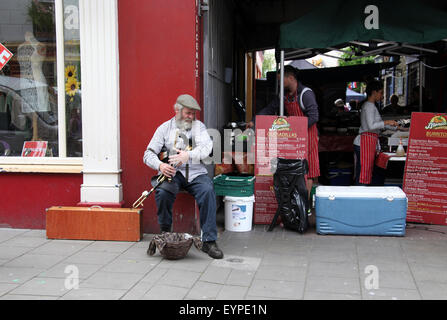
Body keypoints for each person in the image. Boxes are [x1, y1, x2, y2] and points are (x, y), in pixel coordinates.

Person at [143, 94, 223, 259]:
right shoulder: (164, 128)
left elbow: (207, 147)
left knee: (207, 190)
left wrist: (188, 155)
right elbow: (147, 154)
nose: (191, 117)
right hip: (172, 173)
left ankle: (209, 241)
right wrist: (160, 165)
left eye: (193, 113)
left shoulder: (198, 127)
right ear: (177, 110)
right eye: (188, 113)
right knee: (163, 191)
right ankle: (165, 234)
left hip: (195, 173)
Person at [248, 65, 320, 200]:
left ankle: (305, 204)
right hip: (294, 137)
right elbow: (270, 108)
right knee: (295, 170)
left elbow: (314, 116)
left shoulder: (306, 94)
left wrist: (297, 129)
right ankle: (295, 203)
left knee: (308, 171)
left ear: (291, 78)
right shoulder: (285, 95)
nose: (279, 83)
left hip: (309, 136)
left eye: (281, 80)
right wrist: (254, 121)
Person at [353, 80, 398, 185]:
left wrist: (395, 127)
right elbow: (371, 126)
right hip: (364, 143)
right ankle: (359, 196)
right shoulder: (369, 106)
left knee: (365, 173)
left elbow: (378, 124)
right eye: (381, 92)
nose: (382, 96)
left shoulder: (371, 106)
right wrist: (387, 122)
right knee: (363, 175)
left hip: (368, 142)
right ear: (374, 92)